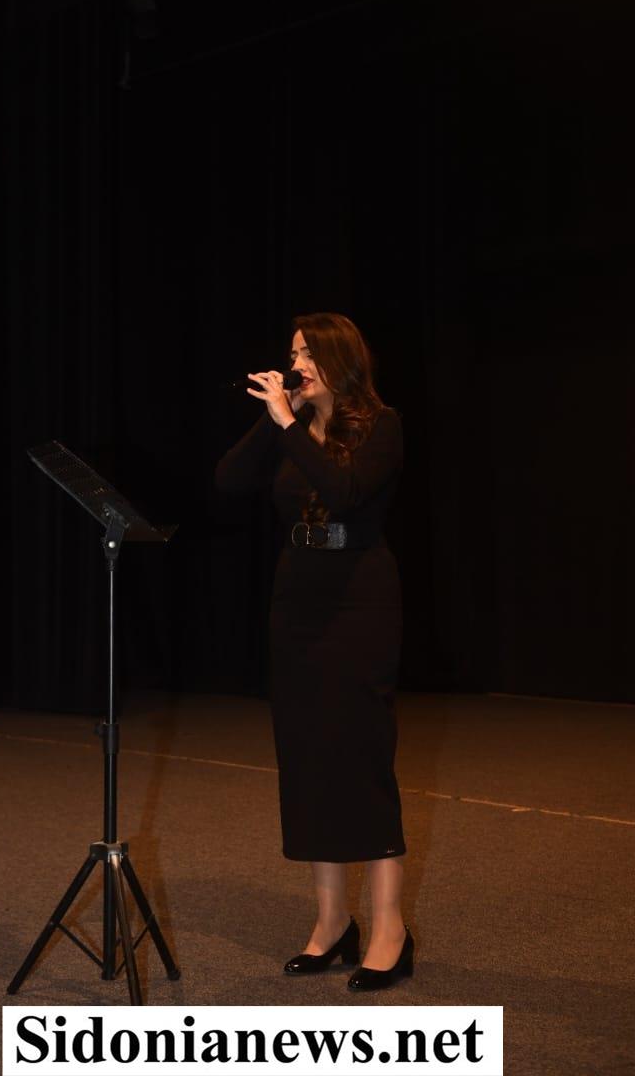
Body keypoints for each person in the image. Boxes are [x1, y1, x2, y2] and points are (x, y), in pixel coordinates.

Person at [214, 312, 413, 992]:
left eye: (305, 353)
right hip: (297, 600)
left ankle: (389, 929)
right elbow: (229, 481)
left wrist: (290, 426)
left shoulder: (381, 425)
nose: (293, 363)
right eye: (291, 352)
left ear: (337, 358)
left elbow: (344, 494)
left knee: (359, 756)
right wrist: (278, 418)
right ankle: (332, 922)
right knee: (308, 758)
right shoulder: (289, 427)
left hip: (360, 601)